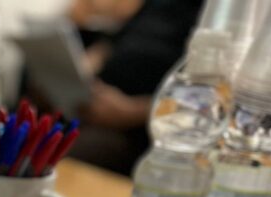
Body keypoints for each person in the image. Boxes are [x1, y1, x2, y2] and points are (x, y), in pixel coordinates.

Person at [68, 0, 204, 174]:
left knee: (66, 150)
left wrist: (131, 112)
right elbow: (110, 43)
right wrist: (79, 73)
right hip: (95, 99)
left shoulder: (214, 17)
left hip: (138, 130)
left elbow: (198, 102)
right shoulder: (157, 4)